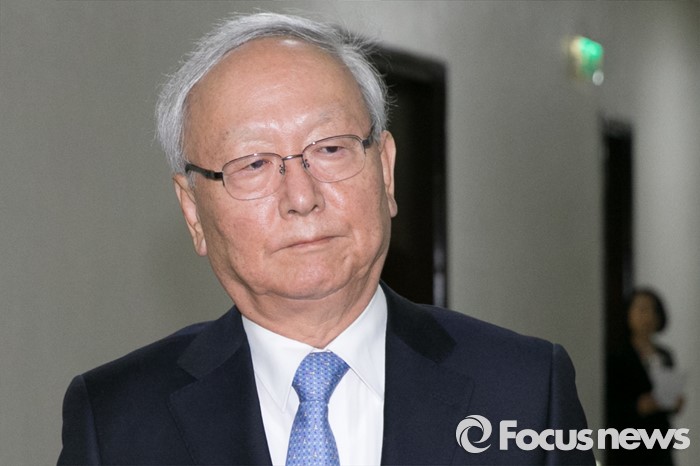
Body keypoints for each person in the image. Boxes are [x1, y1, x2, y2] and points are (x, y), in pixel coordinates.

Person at [58, 12, 594, 465]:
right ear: (193, 211)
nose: (301, 196)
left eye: (331, 149)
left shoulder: (525, 389)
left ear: (385, 172)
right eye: (253, 163)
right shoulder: (114, 420)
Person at [606, 288, 684, 465]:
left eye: (653, 310)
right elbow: (611, 403)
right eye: (642, 310)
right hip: (629, 442)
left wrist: (673, 402)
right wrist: (638, 407)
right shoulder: (618, 356)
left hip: (660, 440)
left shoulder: (665, 355)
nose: (648, 316)